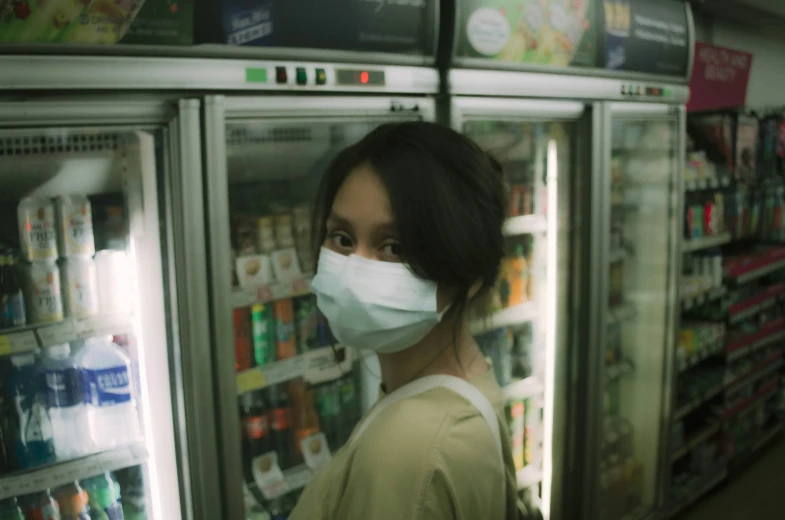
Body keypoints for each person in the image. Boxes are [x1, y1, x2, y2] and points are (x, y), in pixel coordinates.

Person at [289, 121, 520, 519]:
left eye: (393, 247)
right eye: (342, 238)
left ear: (468, 276)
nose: (354, 270)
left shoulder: (407, 450)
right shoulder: (468, 384)